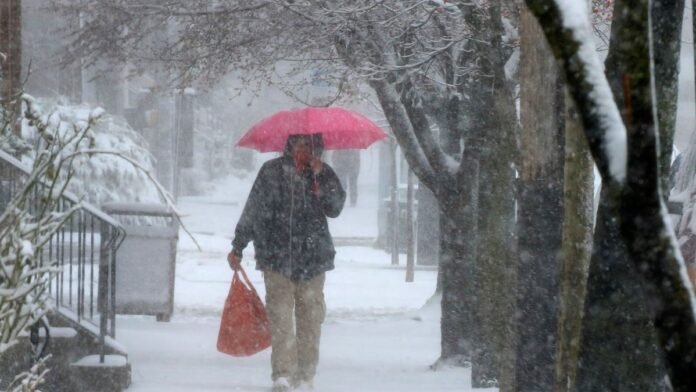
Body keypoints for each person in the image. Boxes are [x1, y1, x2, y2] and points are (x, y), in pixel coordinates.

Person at [227, 134, 346, 392]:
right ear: (290, 146)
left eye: (311, 146)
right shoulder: (271, 172)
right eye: (300, 145)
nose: (305, 150)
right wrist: (238, 245)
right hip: (276, 258)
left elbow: (335, 208)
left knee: (310, 321)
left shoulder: (323, 174)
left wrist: (322, 176)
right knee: (280, 318)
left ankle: (305, 376)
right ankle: (282, 374)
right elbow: (253, 209)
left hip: (314, 260)